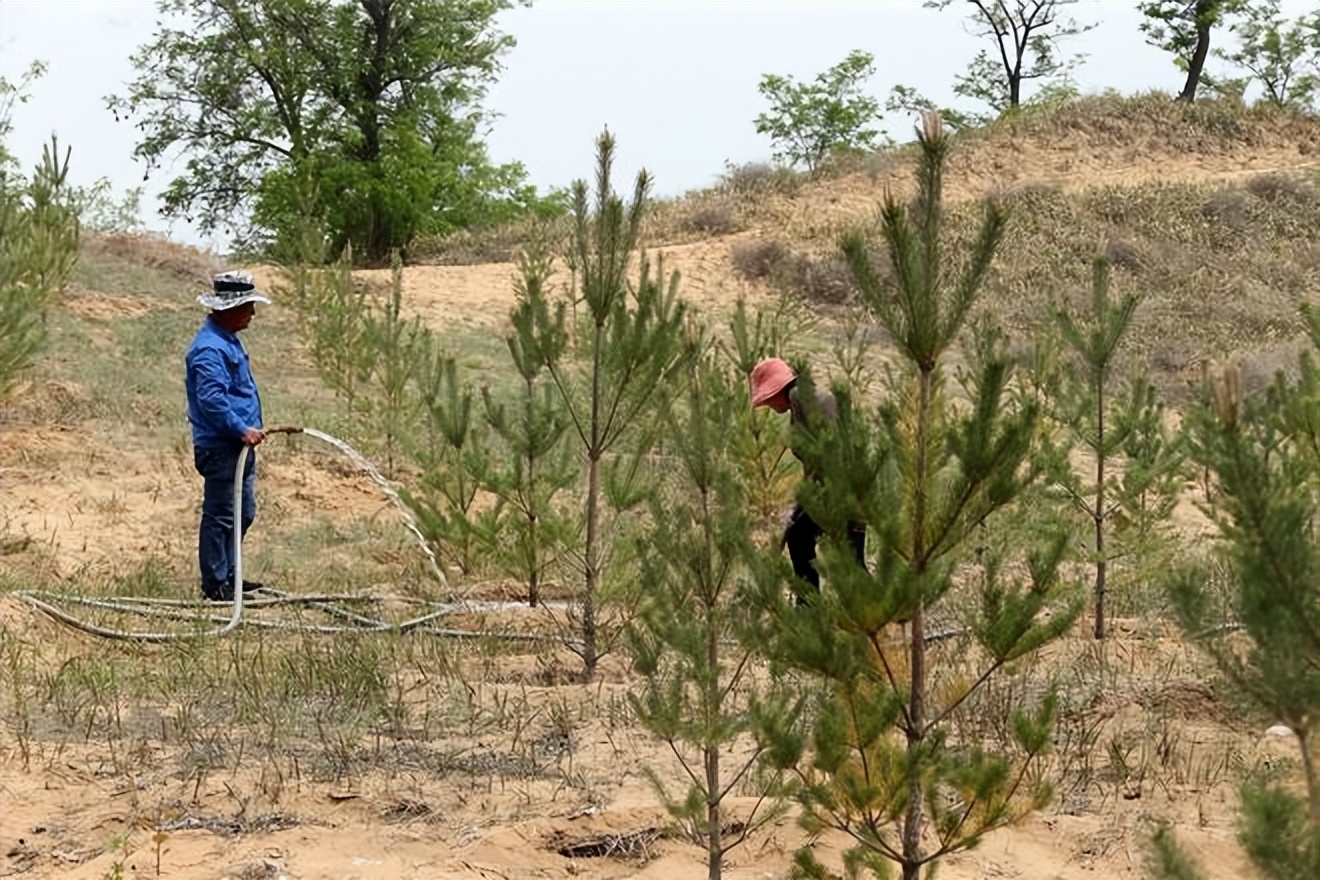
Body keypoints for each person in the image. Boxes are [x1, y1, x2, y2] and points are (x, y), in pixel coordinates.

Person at [750, 357, 866, 598]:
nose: (768, 405)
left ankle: (810, 605)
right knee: (838, 555)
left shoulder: (804, 398)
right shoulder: (802, 399)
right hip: (844, 489)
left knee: (843, 560)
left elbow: (829, 452)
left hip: (838, 492)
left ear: (776, 390)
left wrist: (813, 498)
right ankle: (812, 605)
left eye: (767, 399)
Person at [186, 270, 270, 601]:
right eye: (247, 307)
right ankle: (216, 585)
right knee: (222, 515)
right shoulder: (210, 349)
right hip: (222, 448)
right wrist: (241, 428)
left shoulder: (226, 341)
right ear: (229, 309)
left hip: (237, 447)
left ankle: (231, 577)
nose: (253, 313)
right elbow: (212, 401)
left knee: (241, 513)